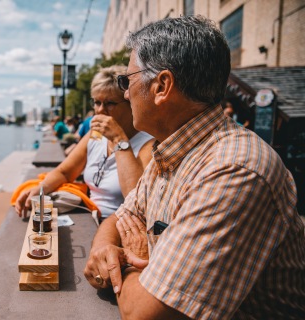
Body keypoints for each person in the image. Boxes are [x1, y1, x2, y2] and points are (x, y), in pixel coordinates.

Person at [83, 16, 305, 320]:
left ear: (162, 86)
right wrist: (105, 248)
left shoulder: (233, 169)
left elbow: (144, 313)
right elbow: (123, 216)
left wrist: (124, 264)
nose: (124, 93)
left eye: (127, 80)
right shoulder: (173, 150)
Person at [15, 65, 155, 219]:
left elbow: (136, 199)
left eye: (109, 103)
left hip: (119, 228)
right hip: (88, 216)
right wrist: (40, 189)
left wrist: (118, 139)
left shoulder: (148, 143)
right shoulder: (95, 135)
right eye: (96, 102)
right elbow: (65, 172)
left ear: (130, 104)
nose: (100, 110)